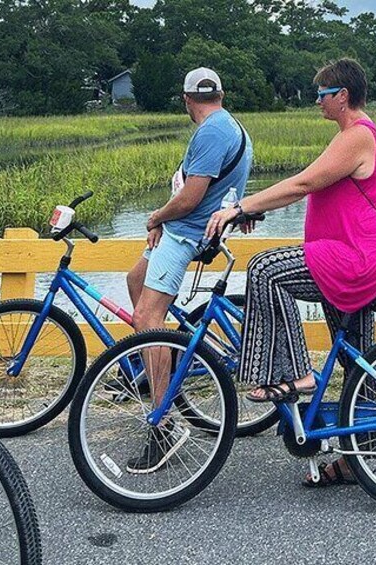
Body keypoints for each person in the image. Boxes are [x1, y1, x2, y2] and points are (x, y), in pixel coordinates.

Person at [206, 58, 376, 486]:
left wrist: (242, 206)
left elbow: (303, 184)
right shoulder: (352, 136)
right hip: (360, 255)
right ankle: (359, 456)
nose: (317, 102)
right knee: (357, 359)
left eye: (322, 94)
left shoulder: (357, 136)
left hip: (355, 257)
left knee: (265, 269)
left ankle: (297, 374)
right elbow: (312, 186)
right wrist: (251, 210)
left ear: (342, 96)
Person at [124, 67, 254, 474]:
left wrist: (155, 217)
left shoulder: (212, 132)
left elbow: (191, 197)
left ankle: (163, 424)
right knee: (135, 281)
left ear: (185, 99)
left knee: (148, 318)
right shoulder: (232, 126)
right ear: (221, 92)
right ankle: (158, 361)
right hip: (191, 230)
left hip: (185, 235)